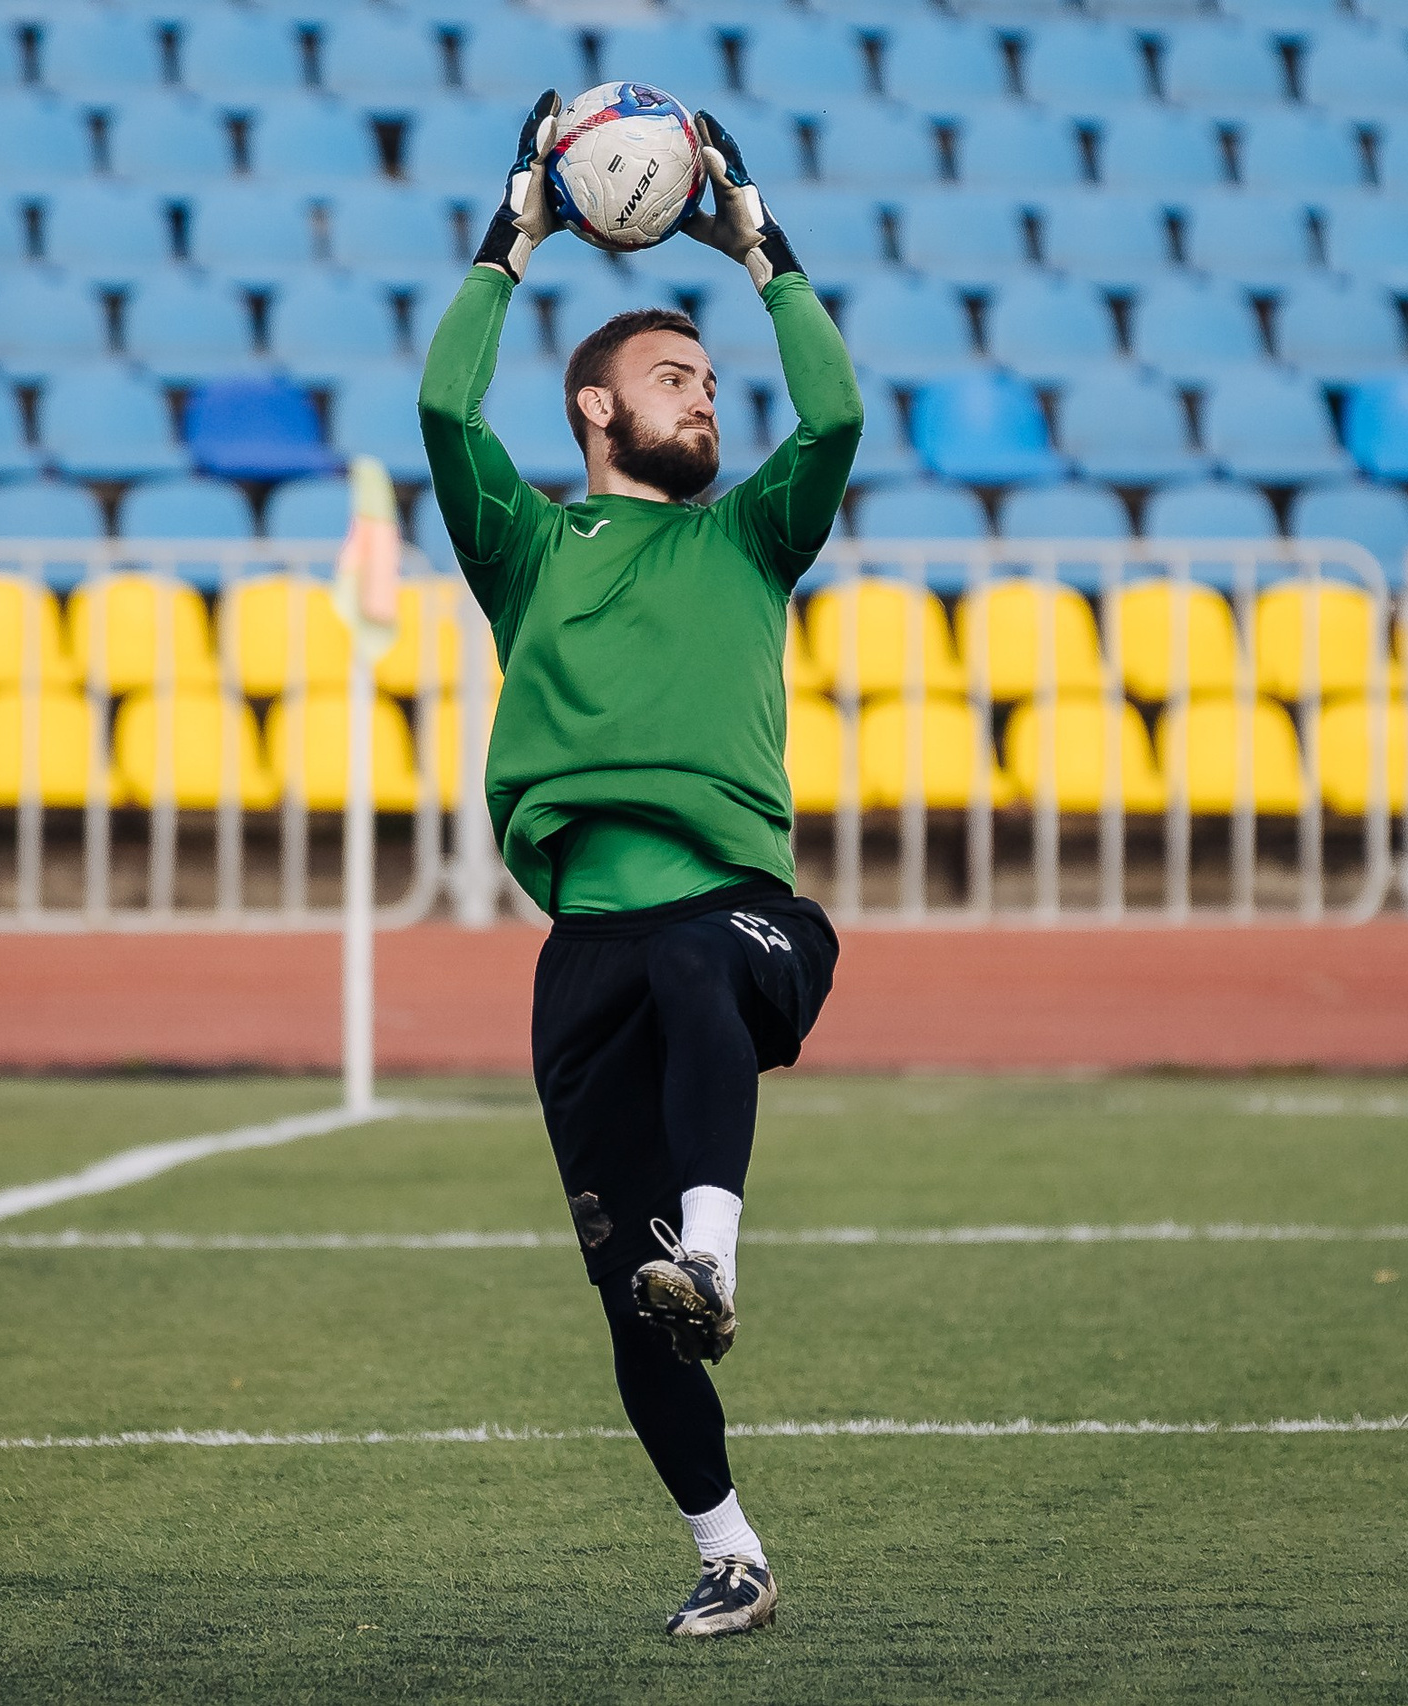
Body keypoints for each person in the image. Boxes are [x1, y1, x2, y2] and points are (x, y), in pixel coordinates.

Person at [417, 93, 862, 1640]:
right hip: (582, 961)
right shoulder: (531, 552)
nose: (707, 402)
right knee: (626, 1308)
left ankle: (716, 1252)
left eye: (712, 383)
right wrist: (514, 237)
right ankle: (730, 1546)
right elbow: (442, 413)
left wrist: (760, 251)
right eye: (674, 380)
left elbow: (838, 419)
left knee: (692, 958)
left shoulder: (751, 536)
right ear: (596, 413)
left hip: (748, 922)